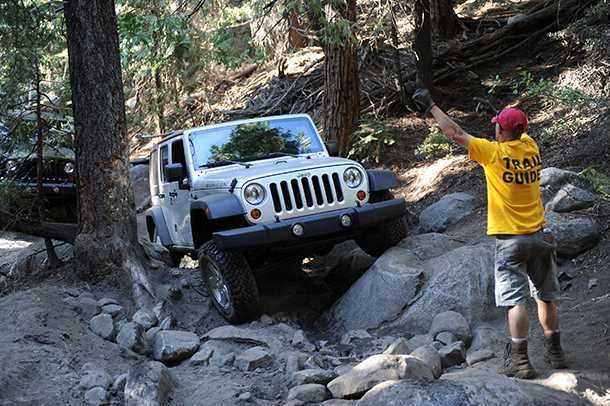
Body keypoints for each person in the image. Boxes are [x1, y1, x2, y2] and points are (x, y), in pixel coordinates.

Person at [412, 88, 567, 379]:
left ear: (500, 132)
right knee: (546, 297)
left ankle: (521, 362)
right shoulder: (531, 147)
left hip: (511, 241)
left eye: (497, 126)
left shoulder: (493, 155)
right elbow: (517, 130)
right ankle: (556, 352)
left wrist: (432, 106)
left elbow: (456, 133)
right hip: (540, 235)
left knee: (516, 302)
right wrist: (502, 119)